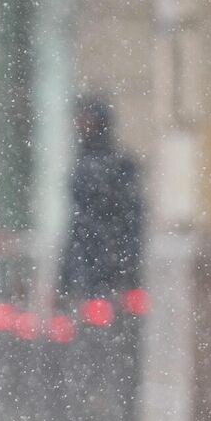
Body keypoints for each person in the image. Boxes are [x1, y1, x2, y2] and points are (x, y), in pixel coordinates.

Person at [56, 96, 145, 300]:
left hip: (107, 265)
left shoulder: (116, 165)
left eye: (87, 121)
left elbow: (132, 218)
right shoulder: (85, 163)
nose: (81, 126)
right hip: (89, 264)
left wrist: (126, 263)